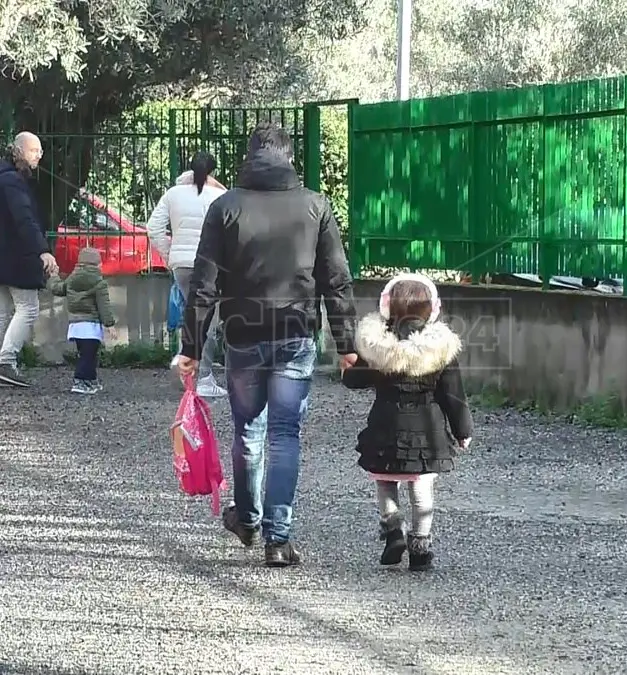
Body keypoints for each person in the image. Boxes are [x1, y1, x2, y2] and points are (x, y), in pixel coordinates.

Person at [177, 121, 358, 567]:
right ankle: (279, 539)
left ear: (249, 156)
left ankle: (250, 520)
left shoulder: (226, 207)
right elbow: (335, 279)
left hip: (242, 335)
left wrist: (192, 348)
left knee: (248, 431)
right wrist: (347, 342)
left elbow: (203, 285)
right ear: (290, 158)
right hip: (295, 333)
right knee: (285, 434)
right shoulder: (315, 205)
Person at [341, 273, 474, 572]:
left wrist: (346, 372)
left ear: (387, 307)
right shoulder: (441, 352)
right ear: (434, 309)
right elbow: (454, 396)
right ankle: (420, 547)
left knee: (385, 480)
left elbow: (355, 379)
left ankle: (392, 531)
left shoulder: (377, 348)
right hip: (427, 429)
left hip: (385, 424)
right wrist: (463, 431)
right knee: (422, 487)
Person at [147, 152, 228, 398]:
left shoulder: (173, 194)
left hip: (181, 263)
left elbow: (153, 227)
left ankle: (185, 361)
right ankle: (202, 376)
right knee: (209, 321)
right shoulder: (220, 196)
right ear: (213, 171)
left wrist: (169, 253)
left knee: (190, 314)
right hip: (212, 265)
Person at [0, 131, 58, 387]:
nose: (39, 156)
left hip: (5, 255)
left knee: (3, 311)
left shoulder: (6, 178)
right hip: (17, 255)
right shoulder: (13, 182)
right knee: (29, 308)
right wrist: (42, 250)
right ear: (20, 151)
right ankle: (6, 360)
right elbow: (24, 218)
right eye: (35, 151)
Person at [47, 247, 117, 394]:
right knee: (89, 356)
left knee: (85, 354)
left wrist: (53, 276)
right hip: (91, 326)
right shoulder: (99, 283)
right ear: (97, 265)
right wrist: (110, 325)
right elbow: (104, 306)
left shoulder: (72, 279)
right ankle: (80, 382)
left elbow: (57, 289)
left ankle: (91, 381)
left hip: (75, 325)